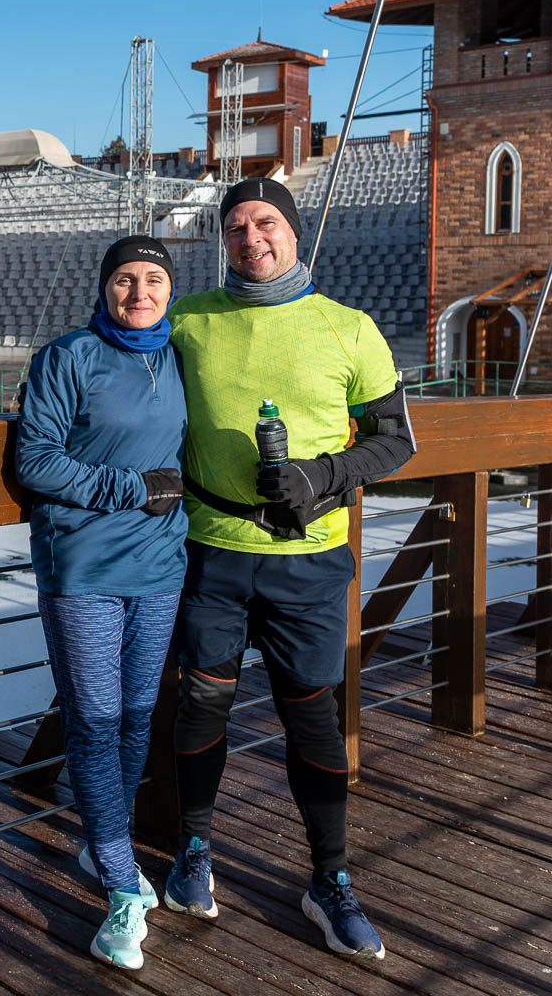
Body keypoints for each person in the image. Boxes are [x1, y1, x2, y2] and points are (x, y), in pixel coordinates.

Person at [163, 179, 415, 960]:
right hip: (210, 552)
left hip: (307, 559)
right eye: (235, 227)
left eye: (265, 222)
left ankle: (329, 879)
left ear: (293, 232)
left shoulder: (348, 327)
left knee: (311, 717)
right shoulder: (187, 320)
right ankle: (193, 851)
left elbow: (395, 440)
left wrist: (320, 474)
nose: (250, 238)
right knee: (201, 707)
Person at [15, 235, 188, 971]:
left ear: (171, 289)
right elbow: (35, 461)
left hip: (161, 564)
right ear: (104, 287)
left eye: (152, 279)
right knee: (93, 720)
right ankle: (121, 884)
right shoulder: (68, 357)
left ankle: (104, 845)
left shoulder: (181, 356)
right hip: (83, 564)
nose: (138, 292)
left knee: (137, 716)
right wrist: (131, 489)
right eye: (124, 279)